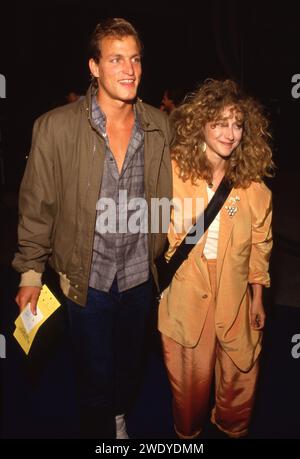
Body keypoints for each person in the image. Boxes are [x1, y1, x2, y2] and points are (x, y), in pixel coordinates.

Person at [13, 17, 173, 439]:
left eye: (135, 59)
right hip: (87, 279)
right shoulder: (55, 127)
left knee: (130, 365)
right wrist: (31, 272)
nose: (129, 69)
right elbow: (37, 207)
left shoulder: (160, 126)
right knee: (92, 374)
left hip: (141, 276)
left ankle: (119, 416)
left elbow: (180, 188)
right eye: (116, 58)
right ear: (93, 67)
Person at [158, 79, 274, 439]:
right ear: (200, 124)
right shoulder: (173, 173)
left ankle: (231, 428)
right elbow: (152, 233)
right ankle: (189, 436)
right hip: (188, 292)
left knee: (241, 374)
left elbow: (261, 245)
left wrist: (257, 296)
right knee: (189, 383)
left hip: (236, 293)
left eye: (237, 124)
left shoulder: (254, 187)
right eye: (220, 123)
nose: (230, 133)